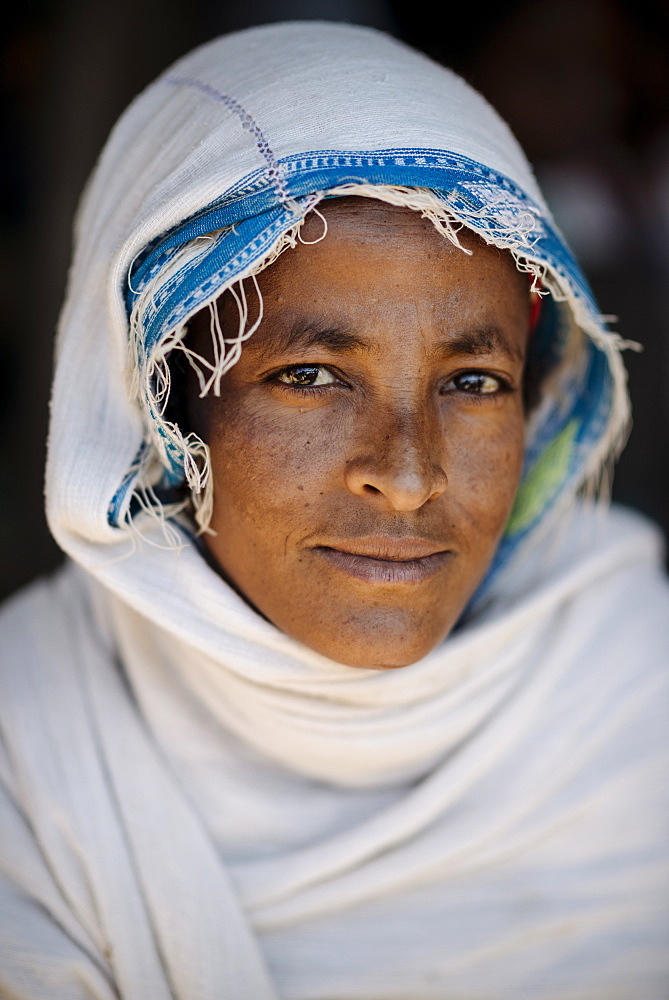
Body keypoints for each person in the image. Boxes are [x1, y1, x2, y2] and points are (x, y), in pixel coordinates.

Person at [1, 19, 668, 1000]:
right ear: (160, 399)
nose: (406, 476)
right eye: (311, 375)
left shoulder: (635, 689)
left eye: (474, 381)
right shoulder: (26, 743)